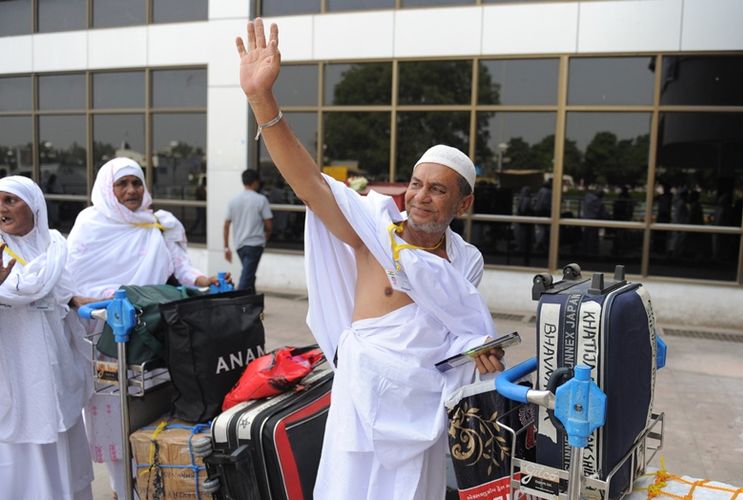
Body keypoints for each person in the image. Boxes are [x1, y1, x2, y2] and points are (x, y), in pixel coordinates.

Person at [236, 18, 504, 499]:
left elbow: (459, 332)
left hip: (421, 417)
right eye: (416, 184)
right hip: (361, 411)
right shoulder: (373, 233)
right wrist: (262, 100)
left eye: (437, 190)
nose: (420, 197)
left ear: (462, 205)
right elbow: (310, 182)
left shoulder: (467, 260)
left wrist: (480, 348)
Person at [66, 157, 226, 500]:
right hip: (106, 337)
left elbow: (180, 266)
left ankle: (152, 481)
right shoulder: (90, 224)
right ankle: (121, 489)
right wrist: (108, 300)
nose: (131, 191)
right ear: (106, 189)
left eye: (136, 183)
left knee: (153, 407)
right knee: (113, 417)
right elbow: (74, 284)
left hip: (153, 331)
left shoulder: (159, 223)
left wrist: (203, 281)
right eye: (121, 184)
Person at [0, 176, 94, 499]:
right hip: (15, 373)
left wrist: (73, 300)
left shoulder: (55, 246)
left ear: (35, 206)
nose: (2, 209)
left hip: (54, 370)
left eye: (10, 201)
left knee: (59, 442)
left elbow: (64, 292)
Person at [224, 169, 273, 293]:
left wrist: (226, 247)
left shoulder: (233, 201)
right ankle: (240, 304)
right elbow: (269, 224)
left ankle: (253, 306)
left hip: (239, 245)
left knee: (249, 274)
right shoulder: (261, 200)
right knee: (246, 278)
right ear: (255, 182)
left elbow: (226, 224)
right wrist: (266, 236)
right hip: (255, 244)